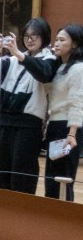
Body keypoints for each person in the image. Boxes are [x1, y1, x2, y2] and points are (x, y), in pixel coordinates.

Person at [0, 17, 56, 194]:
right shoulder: (13, 59)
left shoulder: (49, 59)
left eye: (34, 35)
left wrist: (19, 54)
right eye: (26, 36)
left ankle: (21, 207)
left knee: (22, 174)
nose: (29, 40)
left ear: (44, 36)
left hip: (27, 126)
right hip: (1, 122)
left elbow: (44, 73)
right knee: (0, 172)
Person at [43, 24, 83, 200]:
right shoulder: (60, 67)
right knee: (52, 179)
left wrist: (72, 134)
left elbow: (78, 102)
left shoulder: (78, 69)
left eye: (62, 40)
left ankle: (63, 214)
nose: (56, 43)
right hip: (55, 125)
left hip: (67, 128)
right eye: (56, 39)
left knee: (63, 179)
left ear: (74, 44)